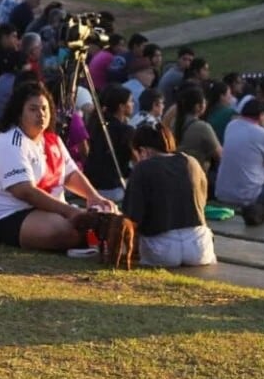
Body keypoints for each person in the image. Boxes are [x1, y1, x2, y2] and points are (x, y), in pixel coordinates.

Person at [0, 81, 117, 250]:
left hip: (47, 212)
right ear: (19, 113)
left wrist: (94, 197)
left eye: (44, 109)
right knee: (64, 230)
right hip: (7, 215)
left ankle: (103, 240)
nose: (40, 115)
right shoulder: (10, 142)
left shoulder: (52, 140)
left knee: (110, 214)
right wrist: (70, 212)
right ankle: (97, 241)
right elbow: (25, 191)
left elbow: (71, 174)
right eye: (33, 109)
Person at [121, 122, 216, 268]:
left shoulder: (143, 168)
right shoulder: (192, 162)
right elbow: (202, 202)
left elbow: (132, 218)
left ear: (143, 151)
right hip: (199, 248)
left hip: (162, 249)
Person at [82, 84, 135, 200]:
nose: (133, 105)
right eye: (130, 102)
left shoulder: (95, 123)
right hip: (112, 187)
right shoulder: (125, 131)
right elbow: (135, 158)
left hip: (91, 184)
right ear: (122, 107)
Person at [169, 85, 221, 175]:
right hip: (195, 175)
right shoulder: (202, 127)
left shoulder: (173, 123)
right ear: (198, 107)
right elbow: (220, 155)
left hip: (175, 173)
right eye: (204, 102)